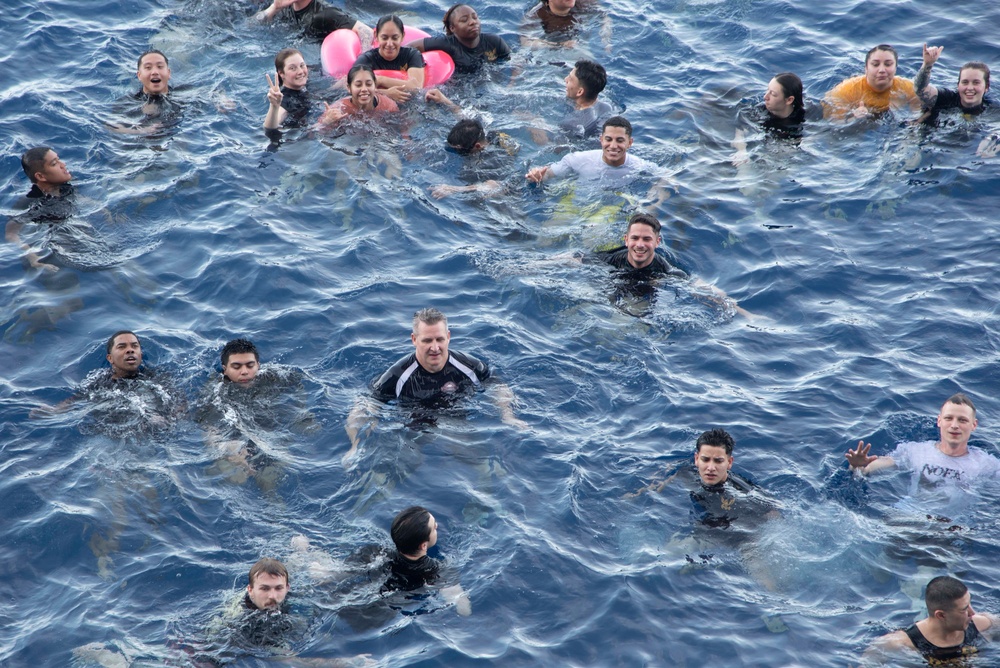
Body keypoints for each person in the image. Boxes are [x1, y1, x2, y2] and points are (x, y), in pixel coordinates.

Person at [343, 308, 527, 464]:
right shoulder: (397, 376)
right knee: (397, 467)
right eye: (427, 340)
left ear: (448, 337)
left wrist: (508, 416)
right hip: (415, 427)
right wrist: (355, 445)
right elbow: (365, 407)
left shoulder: (469, 366)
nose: (435, 347)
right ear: (414, 340)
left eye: (439, 339)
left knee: (485, 464)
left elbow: (498, 387)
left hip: (456, 422)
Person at [196, 338, 315, 490]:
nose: (244, 371)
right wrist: (226, 450)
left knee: (277, 474)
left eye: (250, 365)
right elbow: (209, 426)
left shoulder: (276, 377)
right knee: (236, 478)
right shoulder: (215, 391)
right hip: (236, 438)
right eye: (236, 367)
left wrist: (302, 415)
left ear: (258, 365)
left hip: (272, 433)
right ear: (225, 369)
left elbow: (298, 389)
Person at [845, 393, 1000, 498]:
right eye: (949, 418)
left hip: (952, 531)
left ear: (974, 425)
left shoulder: (987, 464)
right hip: (908, 522)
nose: (954, 425)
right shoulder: (915, 451)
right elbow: (867, 470)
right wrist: (857, 467)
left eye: (962, 420)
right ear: (939, 421)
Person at [626, 428, 777, 531]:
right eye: (706, 460)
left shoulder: (743, 491)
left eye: (718, 461)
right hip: (703, 531)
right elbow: (655, 485)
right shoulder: (684, 471)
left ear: (729, 462)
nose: (711, 467)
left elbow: (773, 512)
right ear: (697, 459)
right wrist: (634, 497)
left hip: (739, 535)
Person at [525, 116, 672, 205]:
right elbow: (548, 174)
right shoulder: (578, 159)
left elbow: (667, 175)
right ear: (601, 140)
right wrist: (537, 176)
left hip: (609, 208)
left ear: (630, 143)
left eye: (620, 140)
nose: (613, 146)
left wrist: (654, 195)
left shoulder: (638, 165)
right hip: (575, 201)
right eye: (608, 139)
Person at [865, 575, 1000, 662]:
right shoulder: (901, 643)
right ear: (940, 615)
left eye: (969, 604)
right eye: (964, 609)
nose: (973, 613)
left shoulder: (983, 625)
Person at [384, 506, 471, 615]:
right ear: (424, 545)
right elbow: (464, 610)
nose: (437, 526)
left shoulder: (377, 553)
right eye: (434, 527)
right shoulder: (439, 571)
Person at [7, 147, 75, 273]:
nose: (63, 165)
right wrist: (32, 257)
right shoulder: (29, 202)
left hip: (69, 239)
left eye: (59, 160)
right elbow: (11, 233)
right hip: (43, 252)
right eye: (54, 164)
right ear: (41, 176)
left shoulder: (65, 187)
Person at [426, 116, 520, 199]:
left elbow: (497, 186)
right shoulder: (491, 135)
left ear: (478, 146)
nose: (457, 153)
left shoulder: (493, 161)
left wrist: (453, 189)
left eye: (461, 151)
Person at [823, 44, 920, 120]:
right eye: (875, 64)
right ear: (866, 69)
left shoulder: (908, 88)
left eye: (888, 64)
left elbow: (919, 116)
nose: (882, 70)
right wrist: (853, 118)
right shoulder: (845, 91)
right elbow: (833, 124)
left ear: (895, 68)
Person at [408, 4, 511, 75]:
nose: (472, 22)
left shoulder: (495, 42)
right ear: (452, 28)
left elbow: (514, 63)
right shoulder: (447, 44)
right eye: (464, 20)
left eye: (475, 17)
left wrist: (510, 85)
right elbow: (410, 47)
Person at [353, 15, 426, 104]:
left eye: (395, 38)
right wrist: (386, 93)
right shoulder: (366, 59)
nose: (389, 44)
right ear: (376, 36)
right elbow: (353, 87)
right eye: (384, 38)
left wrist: (381, 80)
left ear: (402, 36)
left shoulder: (412, 55)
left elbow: (416, 87)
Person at [914, 44, 992, 123]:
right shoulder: (946, 99)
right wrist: (928, 64)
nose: (970, 88)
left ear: (986, 87)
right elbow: (920, 89)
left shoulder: (993, 111)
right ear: (958, 85)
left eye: (976, 83)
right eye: (965, 82)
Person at [256, 0, 373, 46]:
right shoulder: (284, 7)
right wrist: (274, 8)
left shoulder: (324, 14)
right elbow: (251, 26)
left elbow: (367, 31)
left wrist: (360, 64)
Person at [317, 64, 400, 127]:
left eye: (368, 84)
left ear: (374, 85)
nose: (364, 89)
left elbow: (403, 128)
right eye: (358, 85)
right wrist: (327, 122)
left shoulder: (388, 105)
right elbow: (311, 133)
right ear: (349, 88)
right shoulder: (340, 109)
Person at [264, 48, 313, 130]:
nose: (300, 71)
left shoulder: (304, 84)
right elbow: (269, 127)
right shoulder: (284, 99)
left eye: (302, 65)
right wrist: (274, 106)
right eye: (292, 68)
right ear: (281, 73)